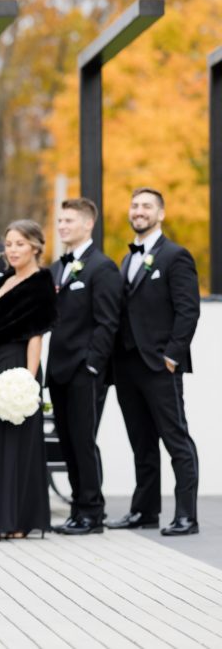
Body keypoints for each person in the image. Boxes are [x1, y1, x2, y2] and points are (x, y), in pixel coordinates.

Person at [107, 187, 201, 536]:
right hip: (128, 365)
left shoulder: (176, 256)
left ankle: (187, 516)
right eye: (135, 205)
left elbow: (188, 310)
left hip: (161, 365)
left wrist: (173, 356)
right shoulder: (126, 258)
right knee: (141, 441)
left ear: (160, 214)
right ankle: (144, 511)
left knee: (176, 439)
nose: (139, 211)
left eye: (147, 206)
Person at [0, 220, 56, 541]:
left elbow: (36, 335)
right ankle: (16, 520)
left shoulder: (41, 281)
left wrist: (28, 381)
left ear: (35, 246)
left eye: (20, 243)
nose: (12, 249)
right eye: (8, 243)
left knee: (15, 443)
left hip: (19, 366)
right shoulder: (3, 279)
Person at [47, 199, 122, 536]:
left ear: (88, 224)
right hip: (58, 371)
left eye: (69, 220)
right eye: (60, 220)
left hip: (84, 371)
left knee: (83, 440)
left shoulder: (101, 267)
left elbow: (108, 323)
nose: (62, 226)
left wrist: (93, 366)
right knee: (68, 441)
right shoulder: (57, 267)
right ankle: (79, 509)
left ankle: (92, 512)